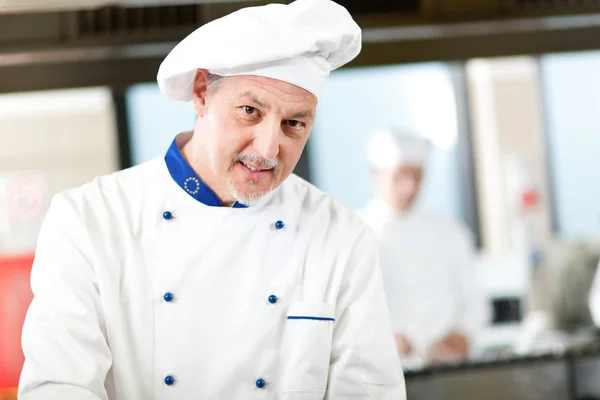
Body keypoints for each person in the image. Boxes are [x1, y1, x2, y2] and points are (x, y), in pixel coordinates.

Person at [18, 1, 405, 399]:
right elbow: (59, 387)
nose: (270, 148)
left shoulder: (341, 236)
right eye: (250, 111)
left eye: (294, 123)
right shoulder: (89, 220)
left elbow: (368, 391)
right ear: (202, 94)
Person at [360, 127, 482, 367]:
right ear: (377, 176)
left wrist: (463, 335)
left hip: (447, 368)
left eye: (417, 176)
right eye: (400, 176)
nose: (410, 187)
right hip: (383, 371)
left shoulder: (451, 233)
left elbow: (473, 300)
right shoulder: (355, 233)